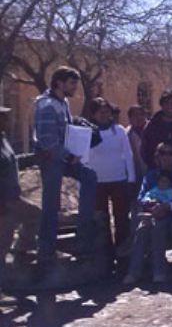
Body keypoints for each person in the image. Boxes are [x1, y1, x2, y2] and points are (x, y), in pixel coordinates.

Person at [33, 66, 97, 261]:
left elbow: (66, 129)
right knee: (51, 203)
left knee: (89, 176)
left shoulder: (63, 103)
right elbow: (47, 140)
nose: (75, 87)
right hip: (51, 159)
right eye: (71, 83)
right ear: (59, 83)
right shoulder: (46, 105)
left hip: (66, 157)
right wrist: (69, 157)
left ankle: (82, 235)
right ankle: (46, 248)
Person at [124, 142, 172, 284]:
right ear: (157, 156)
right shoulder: (150, 176)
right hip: (151, 213)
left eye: (170, 153)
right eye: (162, 153)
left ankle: (159, 272)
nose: (166, 157)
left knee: (158, 228)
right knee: (141, 230)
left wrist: (166, 207)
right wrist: (151, 206)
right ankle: (134, 272)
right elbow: (141, 196)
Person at [86, 97, 137, 257]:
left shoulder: (119, 131)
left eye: (107, 112)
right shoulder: (88, 132)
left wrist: (132, 178)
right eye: (101, 112)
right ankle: (105, 255)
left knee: (121, 218)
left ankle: (122, 253)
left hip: (118, 180)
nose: (104, 115)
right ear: (93, 114)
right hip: (97, 182)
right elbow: (83, 158)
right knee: (101, 220)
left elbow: (128, 155)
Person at [0, 104, 40, 290]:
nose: (7, 121)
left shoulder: (4, 139)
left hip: (12, 197)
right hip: (5, 201)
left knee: (33, 216)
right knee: (3, 242)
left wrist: (34, 157)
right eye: (3, 117)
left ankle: (21, 251)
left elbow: (13, 162)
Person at [126, 105, 148, 185]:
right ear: (130, 118)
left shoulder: (152, 129)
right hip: (135, 173)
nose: (138, 117)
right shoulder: (127, 134)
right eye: (135, 115)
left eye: (141, 114)